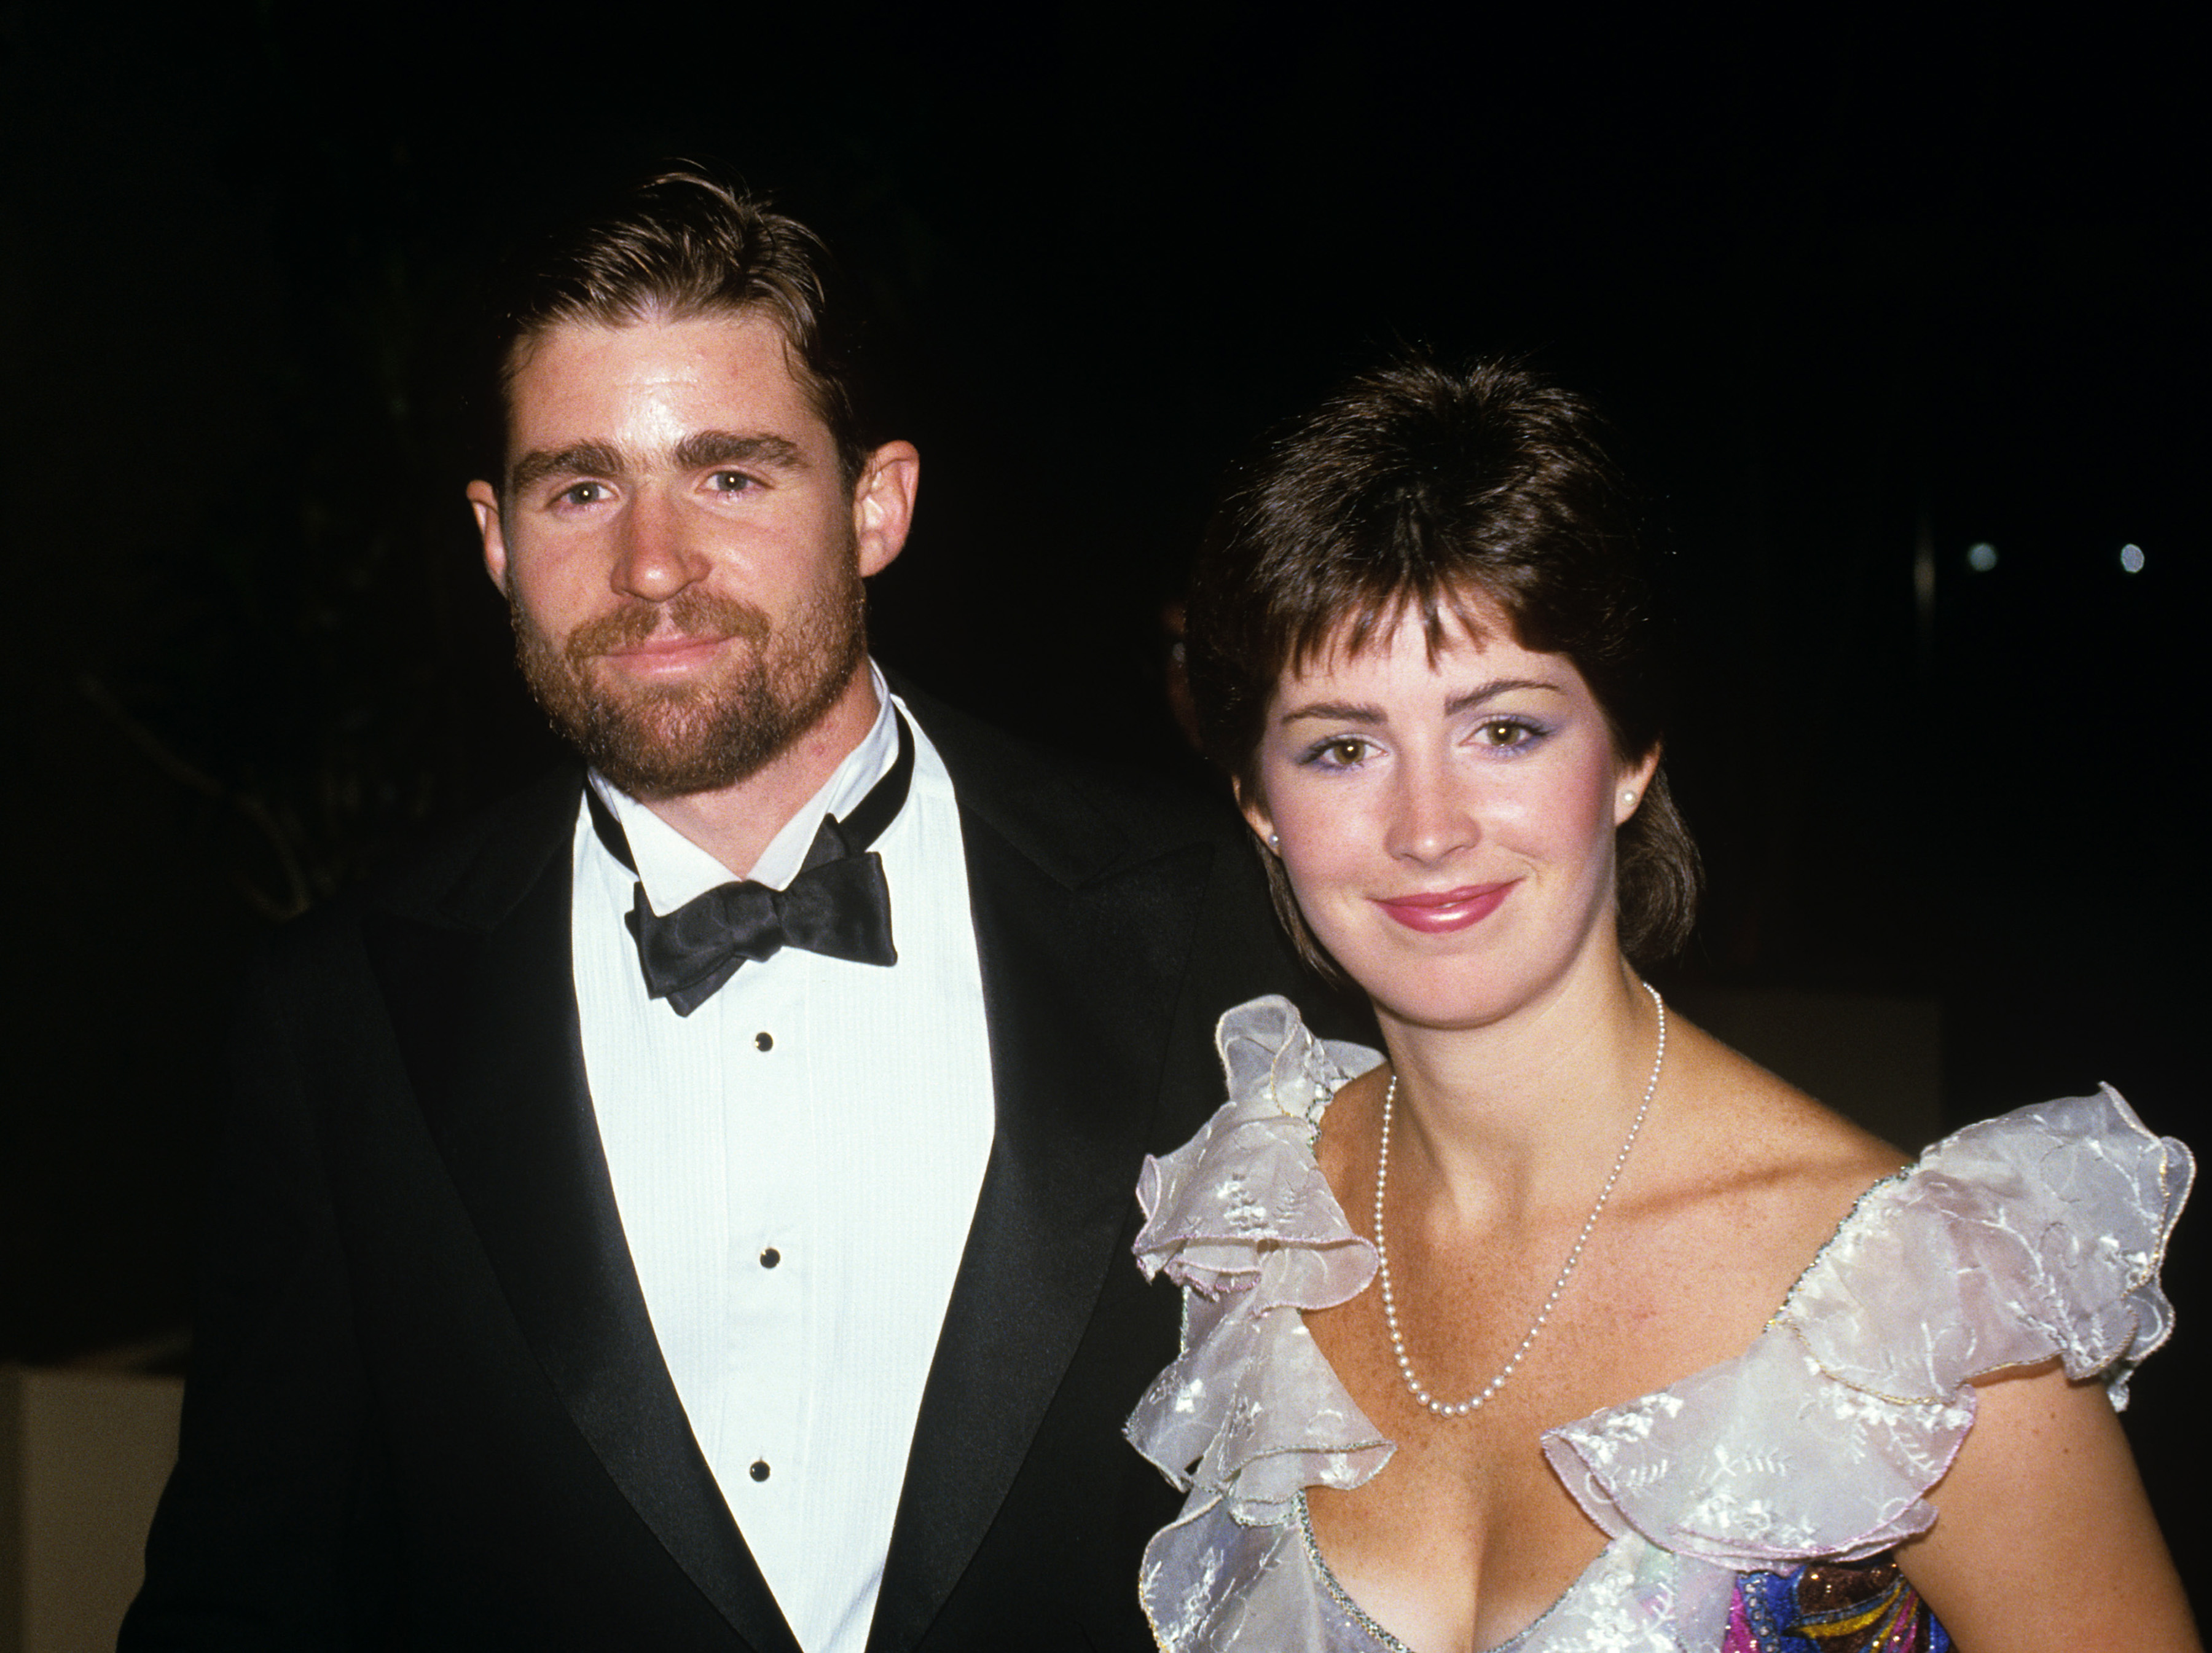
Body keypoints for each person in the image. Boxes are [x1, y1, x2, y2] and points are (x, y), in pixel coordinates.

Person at [122, 170, 1337, 1652]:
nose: (651, 564)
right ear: (496, 537)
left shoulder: (1221, 919)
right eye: (582, 487)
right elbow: (242, 1599)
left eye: (731, 474)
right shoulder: (340, 1015)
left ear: (877, 504)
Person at [1123, 356, 2199, 1651]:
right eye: (1342, 747)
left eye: (1505, 729)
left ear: (1632, 757)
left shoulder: (1924, 1316)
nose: (1427, 825)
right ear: (1257, 804)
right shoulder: (1251, 1228)